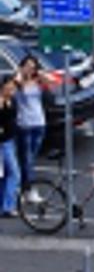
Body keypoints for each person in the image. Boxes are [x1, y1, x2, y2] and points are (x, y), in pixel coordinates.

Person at [12, 58, 45, 201]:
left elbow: (51, 82)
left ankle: (23, 187)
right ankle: (28, 189)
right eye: (28, 66)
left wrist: (40, 73)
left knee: (30, 158)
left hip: (39, 123)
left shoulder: (37, 81)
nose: (30, 70)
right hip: (24, 124)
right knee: (27, 159)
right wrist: (20, 73)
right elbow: (16, 87)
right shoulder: (17, 82)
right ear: (22, 67)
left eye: (33, 67)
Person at [0, 78, 17, 217]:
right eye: (9, 86)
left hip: (10, 141)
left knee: (4, 176)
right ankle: (8, 206)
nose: (12, 88)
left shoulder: (10, 100)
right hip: (3, 143)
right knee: (14, 174)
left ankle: (4, 205)